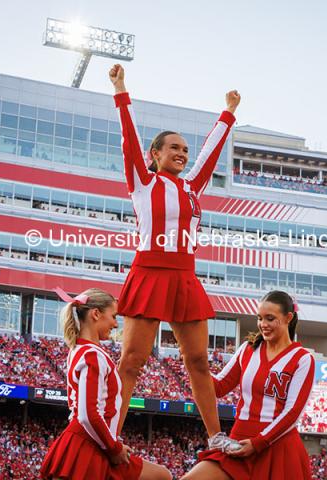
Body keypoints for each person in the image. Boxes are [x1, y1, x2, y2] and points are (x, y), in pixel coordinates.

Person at [109, 64, 242, 452]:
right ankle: (111, 434)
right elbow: (128, 140)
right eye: (174, 148)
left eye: (185, 149)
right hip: (150, 272)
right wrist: (121, 90)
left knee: (198, 360)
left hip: (185, 276)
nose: (182, 153)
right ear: (155, 154)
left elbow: (211, 154)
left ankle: (215, 435)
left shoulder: (190, 187)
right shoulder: (143, 180)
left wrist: (228, 114)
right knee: (131, 360)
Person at [40, 287, 171, 480]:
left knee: (162, 475)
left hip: (90, 443)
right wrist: (114, 447)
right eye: (113, 316)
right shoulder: (92, 355)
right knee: (162, 476)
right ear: (95, 314)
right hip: (89, 445)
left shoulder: (81, 351)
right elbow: (88, 414)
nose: (116, 324)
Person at [182, 290, 315, 480]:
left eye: (270, 318)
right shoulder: (248, 349)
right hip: (238, 442)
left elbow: (292, 412)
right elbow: (218, 387)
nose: (263, 325)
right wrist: (197, 365)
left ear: (288, 318)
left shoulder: (302, 359)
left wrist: (258, 442)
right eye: (259, 318)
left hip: (277, 448)